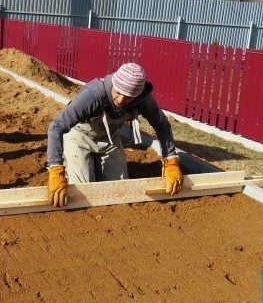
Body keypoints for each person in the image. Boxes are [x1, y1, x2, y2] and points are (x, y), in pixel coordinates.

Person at [46, 63, 182, 207]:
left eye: (129, 97)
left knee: (119, 190)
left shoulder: (143, 100)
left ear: (137, 95)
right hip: (80, 137)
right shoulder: (92, 95)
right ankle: (75, 165)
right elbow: (56, 128)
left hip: (109, 139)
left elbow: (162, 125)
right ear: (113, 84)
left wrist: (171, 160)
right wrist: (56, 169)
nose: (121, 100)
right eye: (118, 92)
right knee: (83, 191)